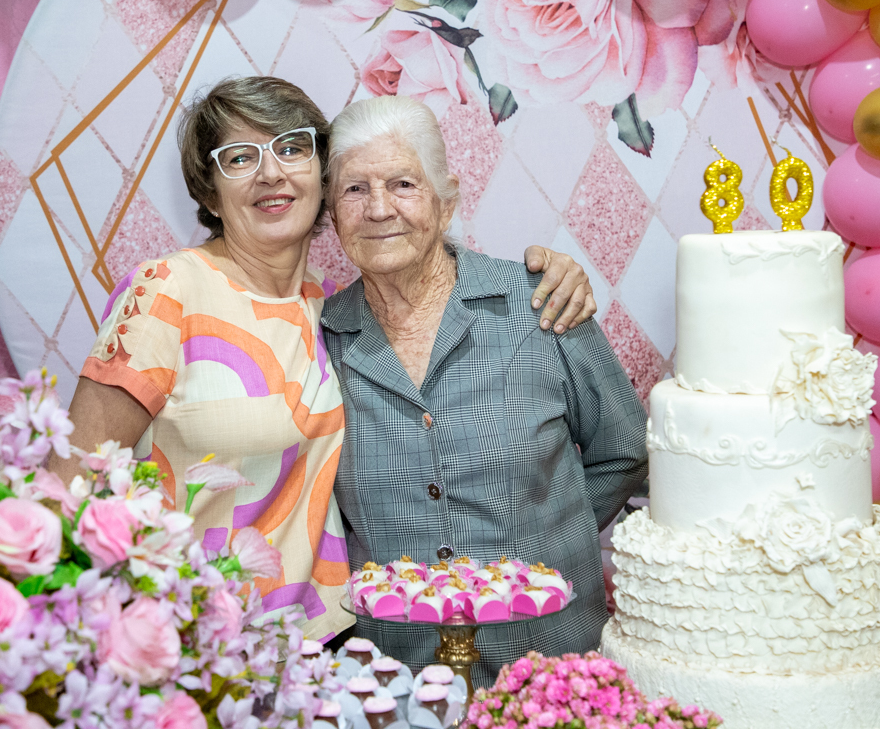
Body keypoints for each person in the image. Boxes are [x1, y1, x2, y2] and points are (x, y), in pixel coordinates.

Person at [49, 77, 597, 642]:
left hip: (320, 644)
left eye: (291, 148)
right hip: (192, 641)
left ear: (323, 181)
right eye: (240, 157)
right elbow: (67, 489)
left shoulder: (330, 310)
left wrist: (550, 273)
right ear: (210, 194)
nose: (271, 173)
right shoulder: (167, 291)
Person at [319, 95, 648, 683]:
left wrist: (547, 539)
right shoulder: (320, 340)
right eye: (354, 189)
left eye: (403, 184)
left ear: (445, 202)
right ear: (333, 213)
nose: (378, 208)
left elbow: (625, 450)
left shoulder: (540, 304)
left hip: (544, 669)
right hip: (395, 677)